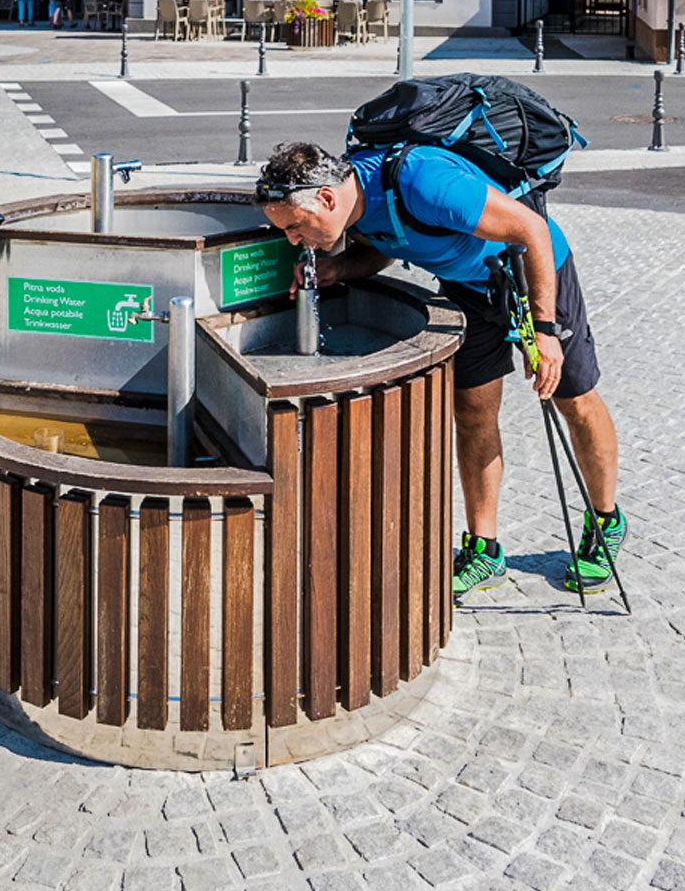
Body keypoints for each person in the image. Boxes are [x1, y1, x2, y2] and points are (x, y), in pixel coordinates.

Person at [255, 138, 626, 598]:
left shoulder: (425, 182)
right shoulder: (354, 203)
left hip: (530, 273)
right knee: (472, 412)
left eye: (295, 227)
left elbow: (532, 229)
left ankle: (606, 519)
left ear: (326, 198)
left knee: (574, 400)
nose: (293, 240)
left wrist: (545, 329)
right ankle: (484, 549)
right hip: (468, 289)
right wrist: (340, 269)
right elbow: (388, 244)